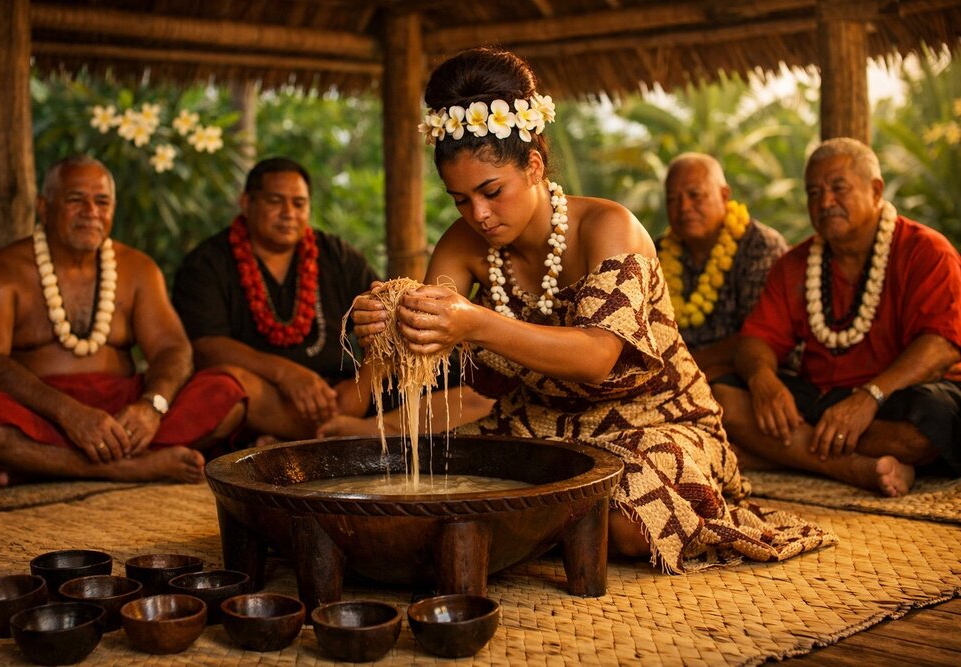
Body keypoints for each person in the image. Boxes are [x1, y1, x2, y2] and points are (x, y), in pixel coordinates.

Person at [350, 47, 833, 572]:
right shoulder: (462, 244)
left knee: (627, 525)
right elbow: (427, 341)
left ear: (533, 165)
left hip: (656, 424)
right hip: (538, 426)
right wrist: (387, 323)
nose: (479, 215)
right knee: (438, 481)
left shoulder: (608, 227)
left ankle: (533, 524)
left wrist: (478, 322)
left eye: (491, 191)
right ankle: (544, 521)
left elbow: (597, 356)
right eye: (460, 199)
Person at [0, 155, 246, 487]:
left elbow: (172, 348)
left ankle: (41, 464)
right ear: (44, 207)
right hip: (40, 410)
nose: (91, 212)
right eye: (75, 200)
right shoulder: (0, 271)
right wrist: (68, 413)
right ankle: (126, 468)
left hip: (122, 413)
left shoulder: (138, 269)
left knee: (226, 394)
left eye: (102, 201)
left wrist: (151, 407)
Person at [714, 137, 961, 497]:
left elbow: (941, 347)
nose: (824, 202)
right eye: (813, 192)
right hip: (823, 399)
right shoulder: (797, 263)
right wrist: (762, 379)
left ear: (876, 190)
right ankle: (852, 467)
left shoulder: (927, 251)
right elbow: (757, 340)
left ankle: (784, 452)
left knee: (930, 426)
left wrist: (867, 398)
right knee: (722, 397)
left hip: (902, 397)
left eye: (838, 188)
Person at [172, 158, 378, 442]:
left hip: (340, 396)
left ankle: (339, 430)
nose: (288, 213)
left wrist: (364, 383)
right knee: (229, 386)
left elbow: (381, 313)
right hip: (263, 397)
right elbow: (206, 348)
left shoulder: (336, 255)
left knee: (454, 390)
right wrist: (286, 374)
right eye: (275, 201)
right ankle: (324, 436)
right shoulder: (207, 264)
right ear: (246, 203)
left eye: (299, 203)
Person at [657, 153, 788, 379]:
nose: (684, 207)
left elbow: (758, 336)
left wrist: (689, 366)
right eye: (672, 199)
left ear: (724, 195)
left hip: (747, 374)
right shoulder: (655, 252)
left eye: (695, 195)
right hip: (671, 375)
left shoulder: (760, 246)